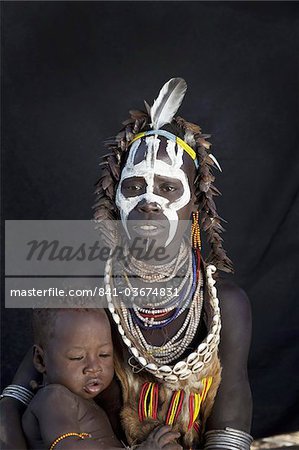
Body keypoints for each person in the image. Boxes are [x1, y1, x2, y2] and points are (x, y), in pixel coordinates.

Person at [0, 78, 253, 450]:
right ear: (115, 201)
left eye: (167, 188)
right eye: (134, 188)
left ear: (194, 206)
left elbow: (232, 403)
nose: (149, 202)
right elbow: (26, 388)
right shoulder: (86, 288)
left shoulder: (223, 305)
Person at [23, 307, 182, 450]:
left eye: (104, 355)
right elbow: (66, 445)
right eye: (77, 357)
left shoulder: (82, 400)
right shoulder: (54, 397)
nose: (94, 367)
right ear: (40, 360)